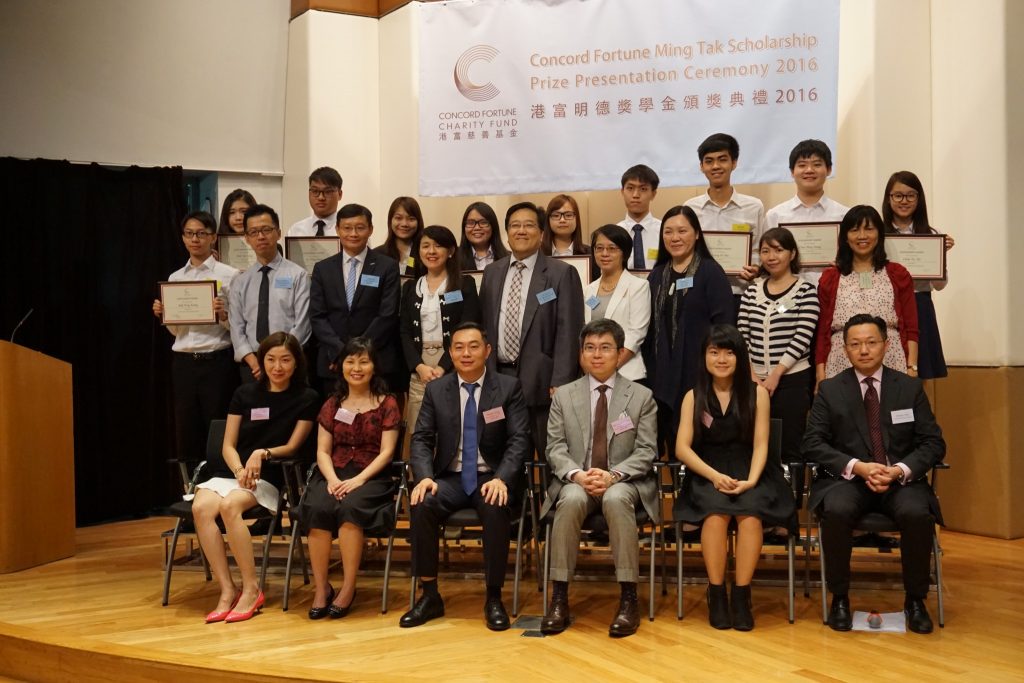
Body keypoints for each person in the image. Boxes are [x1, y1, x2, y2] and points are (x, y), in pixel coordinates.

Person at [802, 314, 945, 634]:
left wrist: (898, 470)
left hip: (900, 482)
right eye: (855, 344)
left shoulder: (908, 387)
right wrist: (858, 466)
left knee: (916, 512)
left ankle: (915, 600)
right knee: (836, 510)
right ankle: (839, 598)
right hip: (847, 480)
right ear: (845, 348)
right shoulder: (830, 390)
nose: (863, 350)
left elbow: (933, 443)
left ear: (886, 344)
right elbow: (812, 443)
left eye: (871, 342)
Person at [401, 322, 530, 630]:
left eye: (473, 346)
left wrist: (503, 477)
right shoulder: (437, 389)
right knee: (422, 503)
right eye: (458, 347)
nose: (466, 353)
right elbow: (421, 438)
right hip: (450, 477)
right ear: (450, 352)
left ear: (487, 351)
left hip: (491, 476)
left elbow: (519, 439)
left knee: (496, 506)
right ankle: (429, 594)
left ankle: (494, 596)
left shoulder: (508, 387)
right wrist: (424, 476)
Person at [539, 319, 659, 637]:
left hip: (623, 482)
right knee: (571, 498)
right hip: (575, 480)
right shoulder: (563, 396)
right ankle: (560, 597)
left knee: (617, 498)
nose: (597, 355)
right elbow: (555, 447)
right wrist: (578, 475)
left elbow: (646, 451)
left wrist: (612, 476)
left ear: (619, 354)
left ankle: (628, 597)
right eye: (589, 348)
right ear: (581, 354)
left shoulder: (641, 397)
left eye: (605, 348)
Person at [191, 332, 319, 623]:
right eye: (271, 359)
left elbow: (293, 446)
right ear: (262, 361)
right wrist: (238, 470)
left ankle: (251, 589)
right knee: (200, 508)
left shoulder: (306, 398)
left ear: (296, 363)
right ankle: (227, 589)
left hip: (271, 474)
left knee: (229, 507)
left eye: (285, 360)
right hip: (234, 471)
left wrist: (262, 454)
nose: (278, 366)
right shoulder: (244, 393)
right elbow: (228, 445)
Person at [675, 324, 796, 631]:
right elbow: (682, 448)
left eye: (730, 352)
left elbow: (761, 444)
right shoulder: (694, 395)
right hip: (707, 468)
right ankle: (717, 593)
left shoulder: (757, 394)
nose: (722, 359)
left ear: (741, 357)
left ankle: (741, 595)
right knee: (715, 515)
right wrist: (714, 476)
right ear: (704, 356)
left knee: (750, 517)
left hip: (751, 468)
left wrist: (753, 480)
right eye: (714, 352)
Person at [297, 337, 400, 619]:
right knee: (317, 507)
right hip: (334, 473)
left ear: (374, 366)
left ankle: (348, 587)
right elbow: (322, 450)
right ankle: (321, 588)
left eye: (363, 361)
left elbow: (388, 452)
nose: (357, 368)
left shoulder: (387, 402)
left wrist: (359, 480)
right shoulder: (332, 403)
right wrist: (331, 479)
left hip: (371, 476)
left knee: (349, 508)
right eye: (351, 361)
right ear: (341, 365)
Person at [479, 201, 584, 460]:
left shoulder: (561, 274)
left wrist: (560, 381)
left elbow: (568, 331)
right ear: (506, 232)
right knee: (506, 458)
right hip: (499, 380)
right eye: (515, 226)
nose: (521, 231)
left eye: (528, 225)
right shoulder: (492, 273)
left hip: (543, 384)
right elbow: (485, 327)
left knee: (551, 457)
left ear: (541, 233)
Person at [642, 206, 734, 457]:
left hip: (698, 377)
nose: (675, 238)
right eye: (668, 232)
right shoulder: (657, 275)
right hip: (660, 377)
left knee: (699, 445)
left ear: (696, 235)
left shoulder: (710, 272)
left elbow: (725, 327)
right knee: (665, 446)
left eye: (682, 231)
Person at [153, 211, 240, 464]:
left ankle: (218, 483)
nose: (195, 239)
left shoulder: (230, 275)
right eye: (190, 234)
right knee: (186, 428)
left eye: (201, 233)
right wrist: (164, 316)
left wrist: (223, 314)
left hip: (217, 361)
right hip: (183, 362)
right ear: (182, 238)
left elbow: (237, 326)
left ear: (213, 236)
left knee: (216, 426)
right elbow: (176, 332)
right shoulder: (175, 278)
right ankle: (189, 489)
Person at [737, 228, 820, 465]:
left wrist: (776, 375)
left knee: (789, 443)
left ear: (792, 254)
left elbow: (802, 337)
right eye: (765, 251)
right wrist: (752, 375)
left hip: (791, 379)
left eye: (778, 250)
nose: (771, 256)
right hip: (753, 380)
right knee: (752, 443)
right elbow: (742, 335)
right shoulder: (752, 290)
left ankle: (791, 500)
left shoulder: (805, 291)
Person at [399, 225, 481, 454]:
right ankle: (420, 481)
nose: (431, 251)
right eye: (425, 246)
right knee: (419, 429)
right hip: (420, 367)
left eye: (438, 246)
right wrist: (419, 367)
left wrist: (445, 367)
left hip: (455, 363)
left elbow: (469, 326)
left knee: (453, 425)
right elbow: (404, 331)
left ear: (451, 251)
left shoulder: (465, 285)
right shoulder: (409, 288)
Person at [815, 205, 918, 385]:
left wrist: (912, 367)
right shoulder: (830, 278)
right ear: (845, 237)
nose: (862, 236)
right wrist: (820, 374)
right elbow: (823, 332)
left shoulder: (898, 274)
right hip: (841, 361)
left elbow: (911, 327)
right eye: (855, 230)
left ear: (879, 234)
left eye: (869, 229)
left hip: (890, 359)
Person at [309, 203, 401, 398]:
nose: (353, 233)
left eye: (360, 227)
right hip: (333, 362)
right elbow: (317, 316)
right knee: (334, 421)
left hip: (376, 360)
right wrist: (341, 352)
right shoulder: (322, 268)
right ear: (337, 230)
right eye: (347, 228)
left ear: (370, 230)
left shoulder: (387, 266)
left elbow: (387, 314)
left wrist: (359, 353)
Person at [882, 171, 954, 380]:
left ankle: (919, 414)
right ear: (889, 198)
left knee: (919, 374)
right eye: (898, 195)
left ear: (919, 198)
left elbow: (939, 286)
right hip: (888, 306)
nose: (904, 201)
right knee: (888, 374)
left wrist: (941, 257)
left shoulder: (932, 234)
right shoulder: (879, 234)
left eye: (910, 195)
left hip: (920, 304)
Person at [229, 204, 312, 384]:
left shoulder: (298, 275)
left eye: (266, 229)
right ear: (246, 238)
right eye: (253, 232)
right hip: (253, 367)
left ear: (278, 233)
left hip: (289, 363)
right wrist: (253, 361)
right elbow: (236, 327)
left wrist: (279, 360)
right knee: (256, 412)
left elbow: (303, 324)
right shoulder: (240, 281)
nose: (260, 236)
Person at [683, 133, 767, 297]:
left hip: (740, 292)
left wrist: (757, 269)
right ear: (701, 166)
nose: (715, 166)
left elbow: (760, 250)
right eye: (709, 161)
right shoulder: (690, 207)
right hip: (699, 293)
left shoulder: (754, 206)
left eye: (722, 159)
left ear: (734, 163)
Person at [766, 140, 850, 285]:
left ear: (829, 169)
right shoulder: (775, 216)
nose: (809, 170)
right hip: (788, 297)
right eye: (802, 165)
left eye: (817, 164)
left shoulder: (844, 215)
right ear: (792, 171)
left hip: (835, 293)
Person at [584, 224, 650, 382]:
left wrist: (610, 366)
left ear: (625, 253)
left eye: (612, 248)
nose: (604, 253)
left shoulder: (638, 286)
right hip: (593, 374)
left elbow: (636, 333)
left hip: (627, 373)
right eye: (599, 248)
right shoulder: (588, 289)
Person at [617, 164, 661, 270]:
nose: (636, 195)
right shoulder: (615, 234)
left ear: (653, 194)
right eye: (630, 188)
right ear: (622, 192)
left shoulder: (664, 231)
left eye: (643, 189)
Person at [374, 196, 424, 277]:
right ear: (390, 220)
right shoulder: (377, 254)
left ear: (419, 222)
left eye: (411, 219)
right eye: (398, 218)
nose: (404, 224)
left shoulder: (426, 254)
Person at [288, 167, 343, 237]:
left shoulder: (349, 232)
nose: (321, 197)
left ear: (340, 194)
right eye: (315, 191)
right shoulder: (296, 231)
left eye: (328, 192)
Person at [457, 201, 508, 271]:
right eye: (471, 223)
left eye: (483, 222)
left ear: (493, 226)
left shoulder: (509, 258)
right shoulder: (453, 259)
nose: (477, 228)